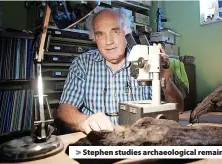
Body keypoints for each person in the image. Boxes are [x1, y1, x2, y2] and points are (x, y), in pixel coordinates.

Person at [56, 8, 184, 134]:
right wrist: (84, 121)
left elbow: (178, 109)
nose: (109, 41)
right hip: (98, 141)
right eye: (100, 34)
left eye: (115, 31)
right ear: (94, 38)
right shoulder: (82, 63)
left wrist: (165, 79)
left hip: (139, 140)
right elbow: (64, 110)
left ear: (126, 33)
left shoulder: (143, 60)